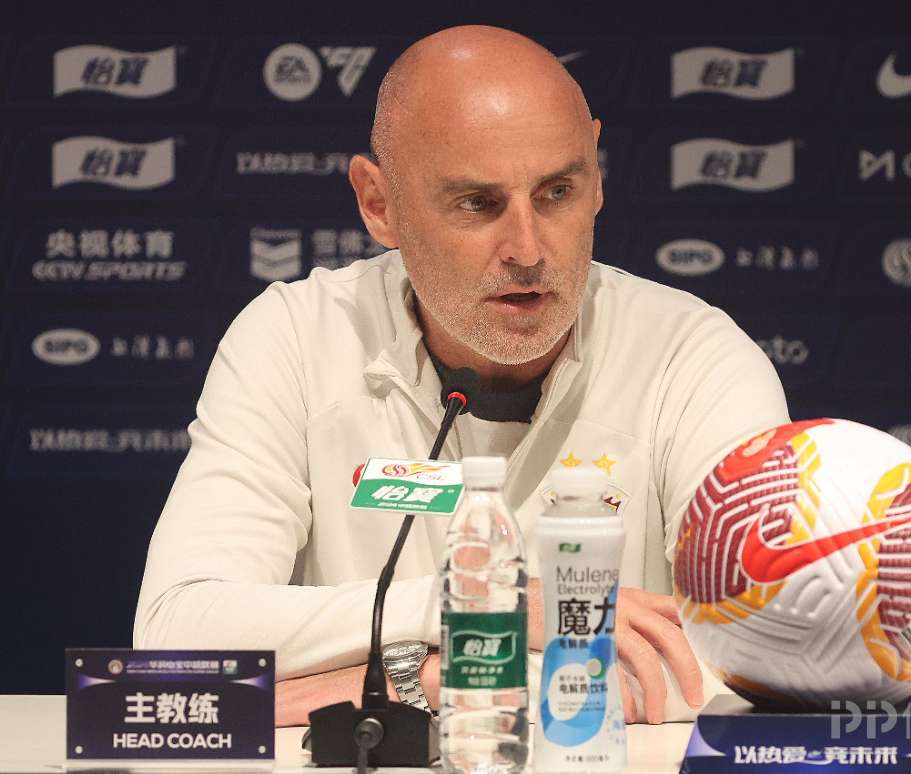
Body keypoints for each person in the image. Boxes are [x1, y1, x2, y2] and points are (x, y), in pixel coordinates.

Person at [134, 25, 789, 727]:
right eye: (477, 203)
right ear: (378, 203)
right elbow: (179, 637)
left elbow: (761, 651)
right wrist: (484, 607)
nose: (528, 250)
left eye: (557, 191)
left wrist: (414, 681)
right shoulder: (295, 337)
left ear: (596, 176)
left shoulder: (693, 359)